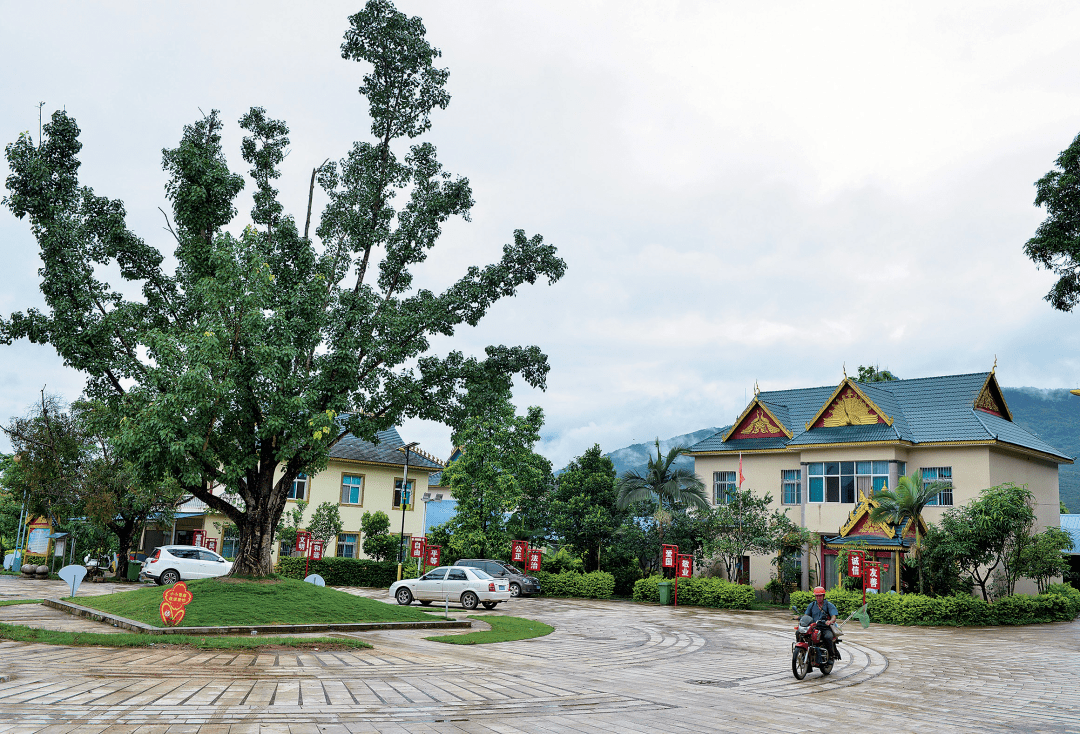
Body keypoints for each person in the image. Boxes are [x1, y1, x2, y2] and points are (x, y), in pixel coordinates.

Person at [805, 586, 841, 658]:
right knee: (799, 633)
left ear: (823, 596)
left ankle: (831, 656)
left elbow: (833, 616)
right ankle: (803, 651)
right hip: (813, 627)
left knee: (828, 637)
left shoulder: (829, 605)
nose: (818, 597)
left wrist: (830, 621)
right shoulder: (811, 605)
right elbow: (806, 616)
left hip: (825, 627)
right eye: (817, 596)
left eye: (820, 596)